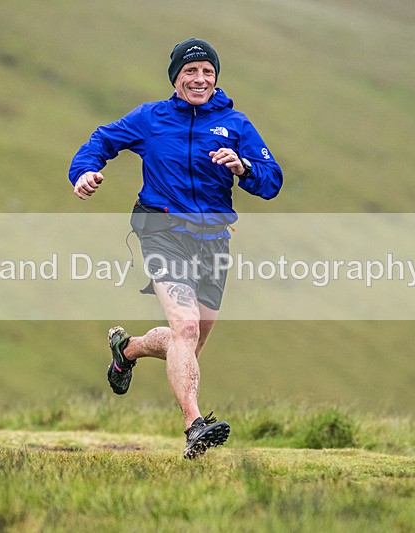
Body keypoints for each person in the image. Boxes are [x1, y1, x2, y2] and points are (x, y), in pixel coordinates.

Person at [68, 37, 283, 459]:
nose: (199, 79)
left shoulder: (235, 124)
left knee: (188, 341)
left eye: (207, 72)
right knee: (184, 328)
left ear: (216, 78)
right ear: (176, 79)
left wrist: (245, 167)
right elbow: (102, 139)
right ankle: (194, 426)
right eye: (190, 72)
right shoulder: (151, 118)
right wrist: (85, 171)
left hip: (214, 240)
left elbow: (272, 180)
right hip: (160, 229)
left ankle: (126, 350)